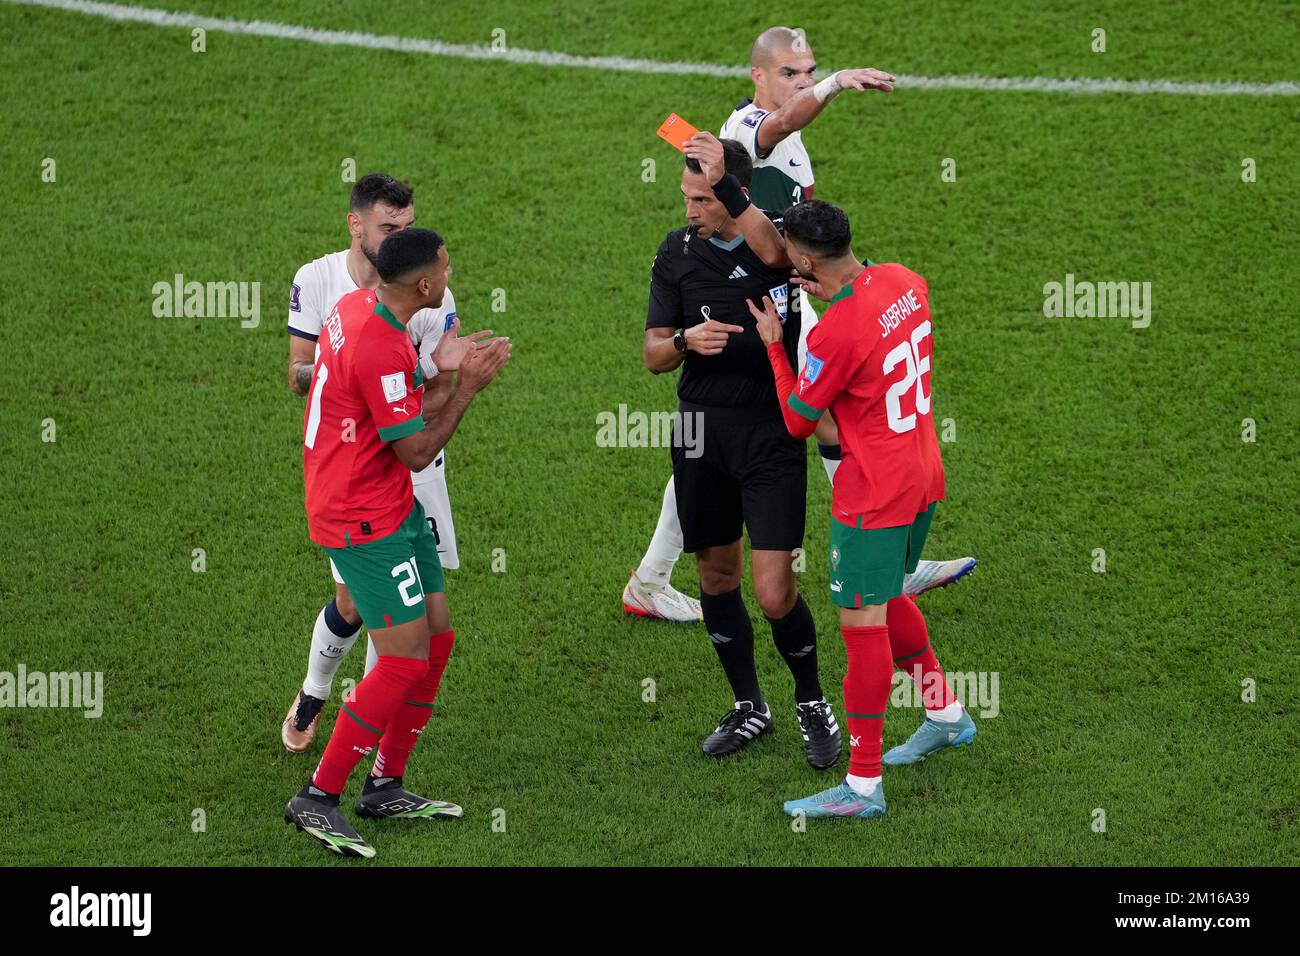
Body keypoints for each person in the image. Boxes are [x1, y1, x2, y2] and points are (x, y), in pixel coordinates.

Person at [623, 27, 974, 622]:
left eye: (811, 72)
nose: (803, 83)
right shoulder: (751, 133)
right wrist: (838, 84)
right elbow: (779, 125)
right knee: (745, 432)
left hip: (787, 291)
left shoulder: (759, 134)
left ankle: (885, 554)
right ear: (758, 76)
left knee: (800, 423)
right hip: (756, 300)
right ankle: (887, 555)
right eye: (791, 74)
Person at [743, 199, 976, 819]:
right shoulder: (905, 279)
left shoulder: (835, 331)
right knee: (891, 593)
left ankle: (863, 785)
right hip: (923, 472)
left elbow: (798, 421)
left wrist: (774, 346)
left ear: (803, 257)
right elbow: (872, 323)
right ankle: (946, 713)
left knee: (862, 627)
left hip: (872, 492)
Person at [284, 229, 510, 857]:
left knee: (437, 639)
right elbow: (414, 449)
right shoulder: (380, 342)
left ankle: (384, 784)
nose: (449, 272)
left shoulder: (355, 308)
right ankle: (318, 797)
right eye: (446, 268)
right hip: (362, 515)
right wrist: (467, 387)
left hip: (383, 500)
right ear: (426, 286)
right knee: (404, 660)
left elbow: (396, 403)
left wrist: (442, 369)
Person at [643, 139, 840, 768]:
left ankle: (812, 702)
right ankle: (750, 704)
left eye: (703, 197)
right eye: (687, 197)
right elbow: (651, 354)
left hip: (771, 433)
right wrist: (683, 338)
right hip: (701, 433)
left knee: (775, 589)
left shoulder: (779, 247)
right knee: (715, 576)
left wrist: (730, 186)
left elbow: (772, 250)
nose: (691, 209)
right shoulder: (674, 252)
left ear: (735, 193)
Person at [282, 173, 476, 753]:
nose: (399, 237)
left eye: (407, 226)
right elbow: (298, 375)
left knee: (406, 606)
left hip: (415, 462)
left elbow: (435, 389)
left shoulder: (426, 291)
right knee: (355, 603)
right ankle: (317, 691)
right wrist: (366, 383)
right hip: (359, 468)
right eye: (389, 227)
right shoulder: (320, 283)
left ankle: (368, 718)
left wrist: (405, 383)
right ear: (356, 224)